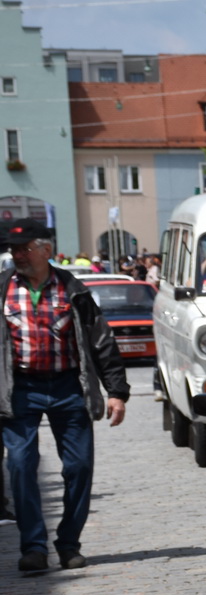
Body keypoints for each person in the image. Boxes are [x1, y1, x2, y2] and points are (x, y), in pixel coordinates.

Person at [0, 220, 129, 572]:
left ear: (46, 250)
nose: (17, 255)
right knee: (20, 465)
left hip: (68, 387)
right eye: (14, 249)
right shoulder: (3, 288)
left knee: (79, 467)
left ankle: (69, 542)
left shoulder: (73, 289)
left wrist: (116, 391)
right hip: (19, 389)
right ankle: (34, 547)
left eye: (25, 248)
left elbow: (102, 342)